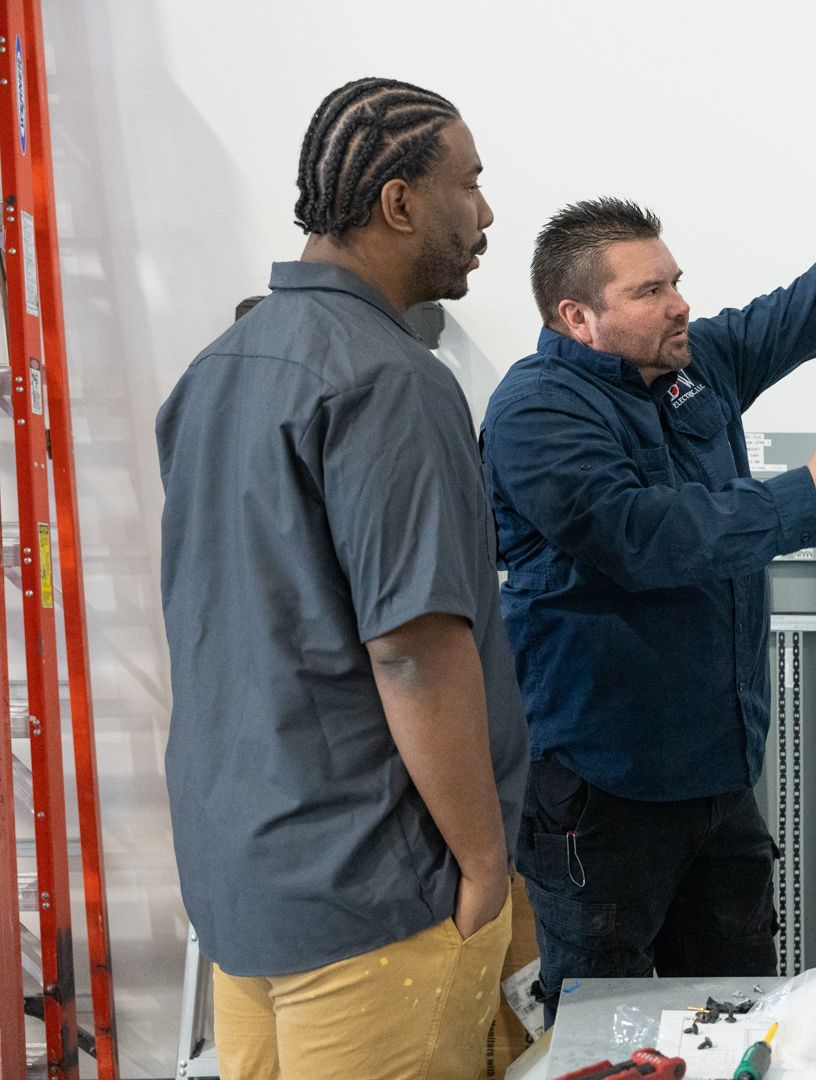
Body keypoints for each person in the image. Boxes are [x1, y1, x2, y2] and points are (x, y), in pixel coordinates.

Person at [481, 101, 816, 1023]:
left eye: (676, 280)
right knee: (602, 1028)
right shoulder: (537, 412)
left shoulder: (696, 364)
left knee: (738, 1015)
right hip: (602, 798)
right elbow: (640, 538)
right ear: (577, 315)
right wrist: (810, 497)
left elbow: (814, 303)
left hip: (720, 780)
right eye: (648, 292)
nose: (679, 302)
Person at [156, 77, 529, 1079]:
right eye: (470, 183)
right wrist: (487, 864)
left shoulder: (216, 370)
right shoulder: (390, 381)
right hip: (373, 897)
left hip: (244, 880)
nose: (486, 212)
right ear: (399, 203)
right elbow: (413, 650)